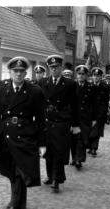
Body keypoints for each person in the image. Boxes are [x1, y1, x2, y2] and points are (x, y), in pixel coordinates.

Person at [0, 56, 46, 209]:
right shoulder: (0, 90)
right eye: (15, 71)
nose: (18, 74)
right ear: (10, 72)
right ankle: (20, 202)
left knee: (20, 170)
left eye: (21, 71)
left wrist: (42, 143)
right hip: (5, 136)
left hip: (25, 138)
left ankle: (15, 205)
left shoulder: (35, 91)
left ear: (26, 72)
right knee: (11, 170)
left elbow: (40, 119)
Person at [39, 55, 80, 193]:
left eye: (56, 67)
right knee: (48, 151)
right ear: (49, 68)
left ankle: (57, 179)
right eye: (51, 67)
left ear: (61, 68)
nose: (54, 69)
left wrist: (75, 125)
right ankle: (50, 176)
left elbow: (75, 105)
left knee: (58, 151)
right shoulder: (43, 82)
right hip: (46, 121)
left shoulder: (69, 84)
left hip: (61, 122)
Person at [70, 65, 97, 169]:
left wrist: (94, 118)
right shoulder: (72, 85)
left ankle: (79, 159)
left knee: (82, 138)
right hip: (73, 116)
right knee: (73, 138)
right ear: (76, 75)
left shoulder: (91, 87)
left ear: (86, 76)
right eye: (79, 74)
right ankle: (74, 157)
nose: (81, 76)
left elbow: (94, 104)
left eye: (83, 74)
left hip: (85, 117)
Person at [87, 67, 110, 156]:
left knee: (97, 130)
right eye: (94, 75)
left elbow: (106, 100)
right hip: (89, 112)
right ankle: (90, 147)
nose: (96, 77)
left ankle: (94, 149)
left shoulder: (105, 86)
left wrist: (105, 111)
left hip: (100, 112)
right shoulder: (89, 85)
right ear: (92, 76)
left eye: (98, 76)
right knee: (90, 130)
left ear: (101, 77)